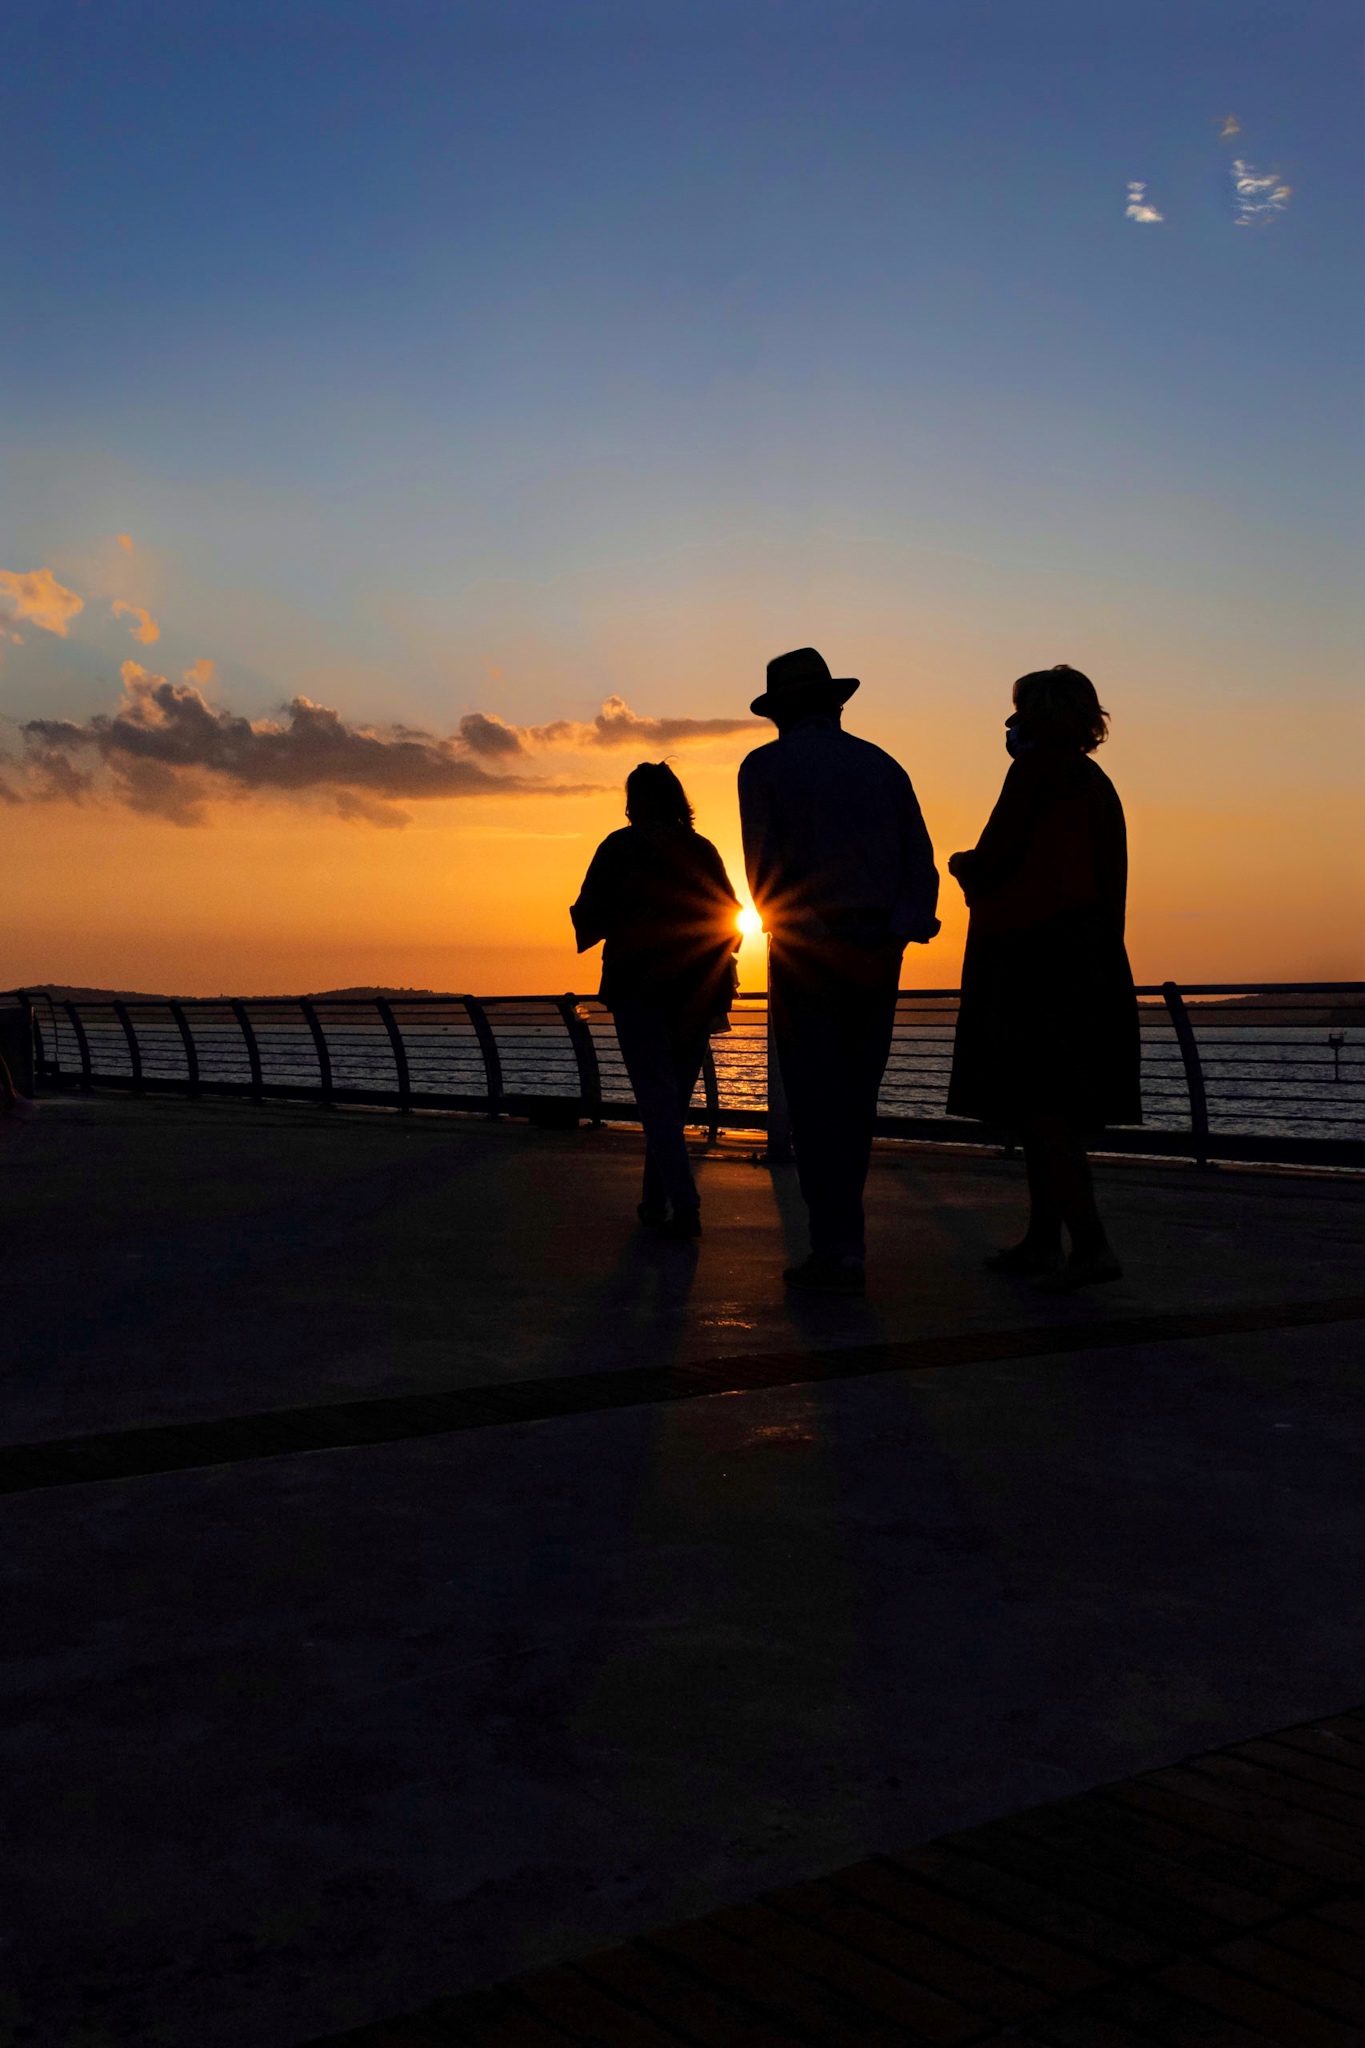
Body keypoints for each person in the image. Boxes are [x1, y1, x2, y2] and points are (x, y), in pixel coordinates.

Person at [739, 648, 939, 1294]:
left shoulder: (764, 766)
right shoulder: (883, 766)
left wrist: (810, 935)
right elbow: (920, 862)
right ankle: (843, 1241)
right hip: (878, 950)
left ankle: (836, 1244)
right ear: (835, 703)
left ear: (780, 712)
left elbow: (763, 869)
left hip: (806, 951)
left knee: (815, 1099)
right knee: (857, 1098)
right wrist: (894, 937)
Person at [946, 664, 1140, 1290]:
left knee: (1044, 1105)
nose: (1012, 723)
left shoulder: (1034, 771)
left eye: (1019, 710)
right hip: (1091, 960)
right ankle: (1041, 1239)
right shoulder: (1095, 782)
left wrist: (961, 864)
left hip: (1034, 961)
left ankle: (1091, 1244)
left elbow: (998, 855)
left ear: (1039, 715)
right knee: (1047, 1107)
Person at [571, 761, 740, 1238]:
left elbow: (590, 914)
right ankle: (654, 1201)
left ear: (634, 801)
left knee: (656, 1102)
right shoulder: (701, 849)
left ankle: (684, 1203)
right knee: (672, 1104)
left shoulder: (619, 846)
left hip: (638, 987)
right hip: (698, 992)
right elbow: (730, 915)